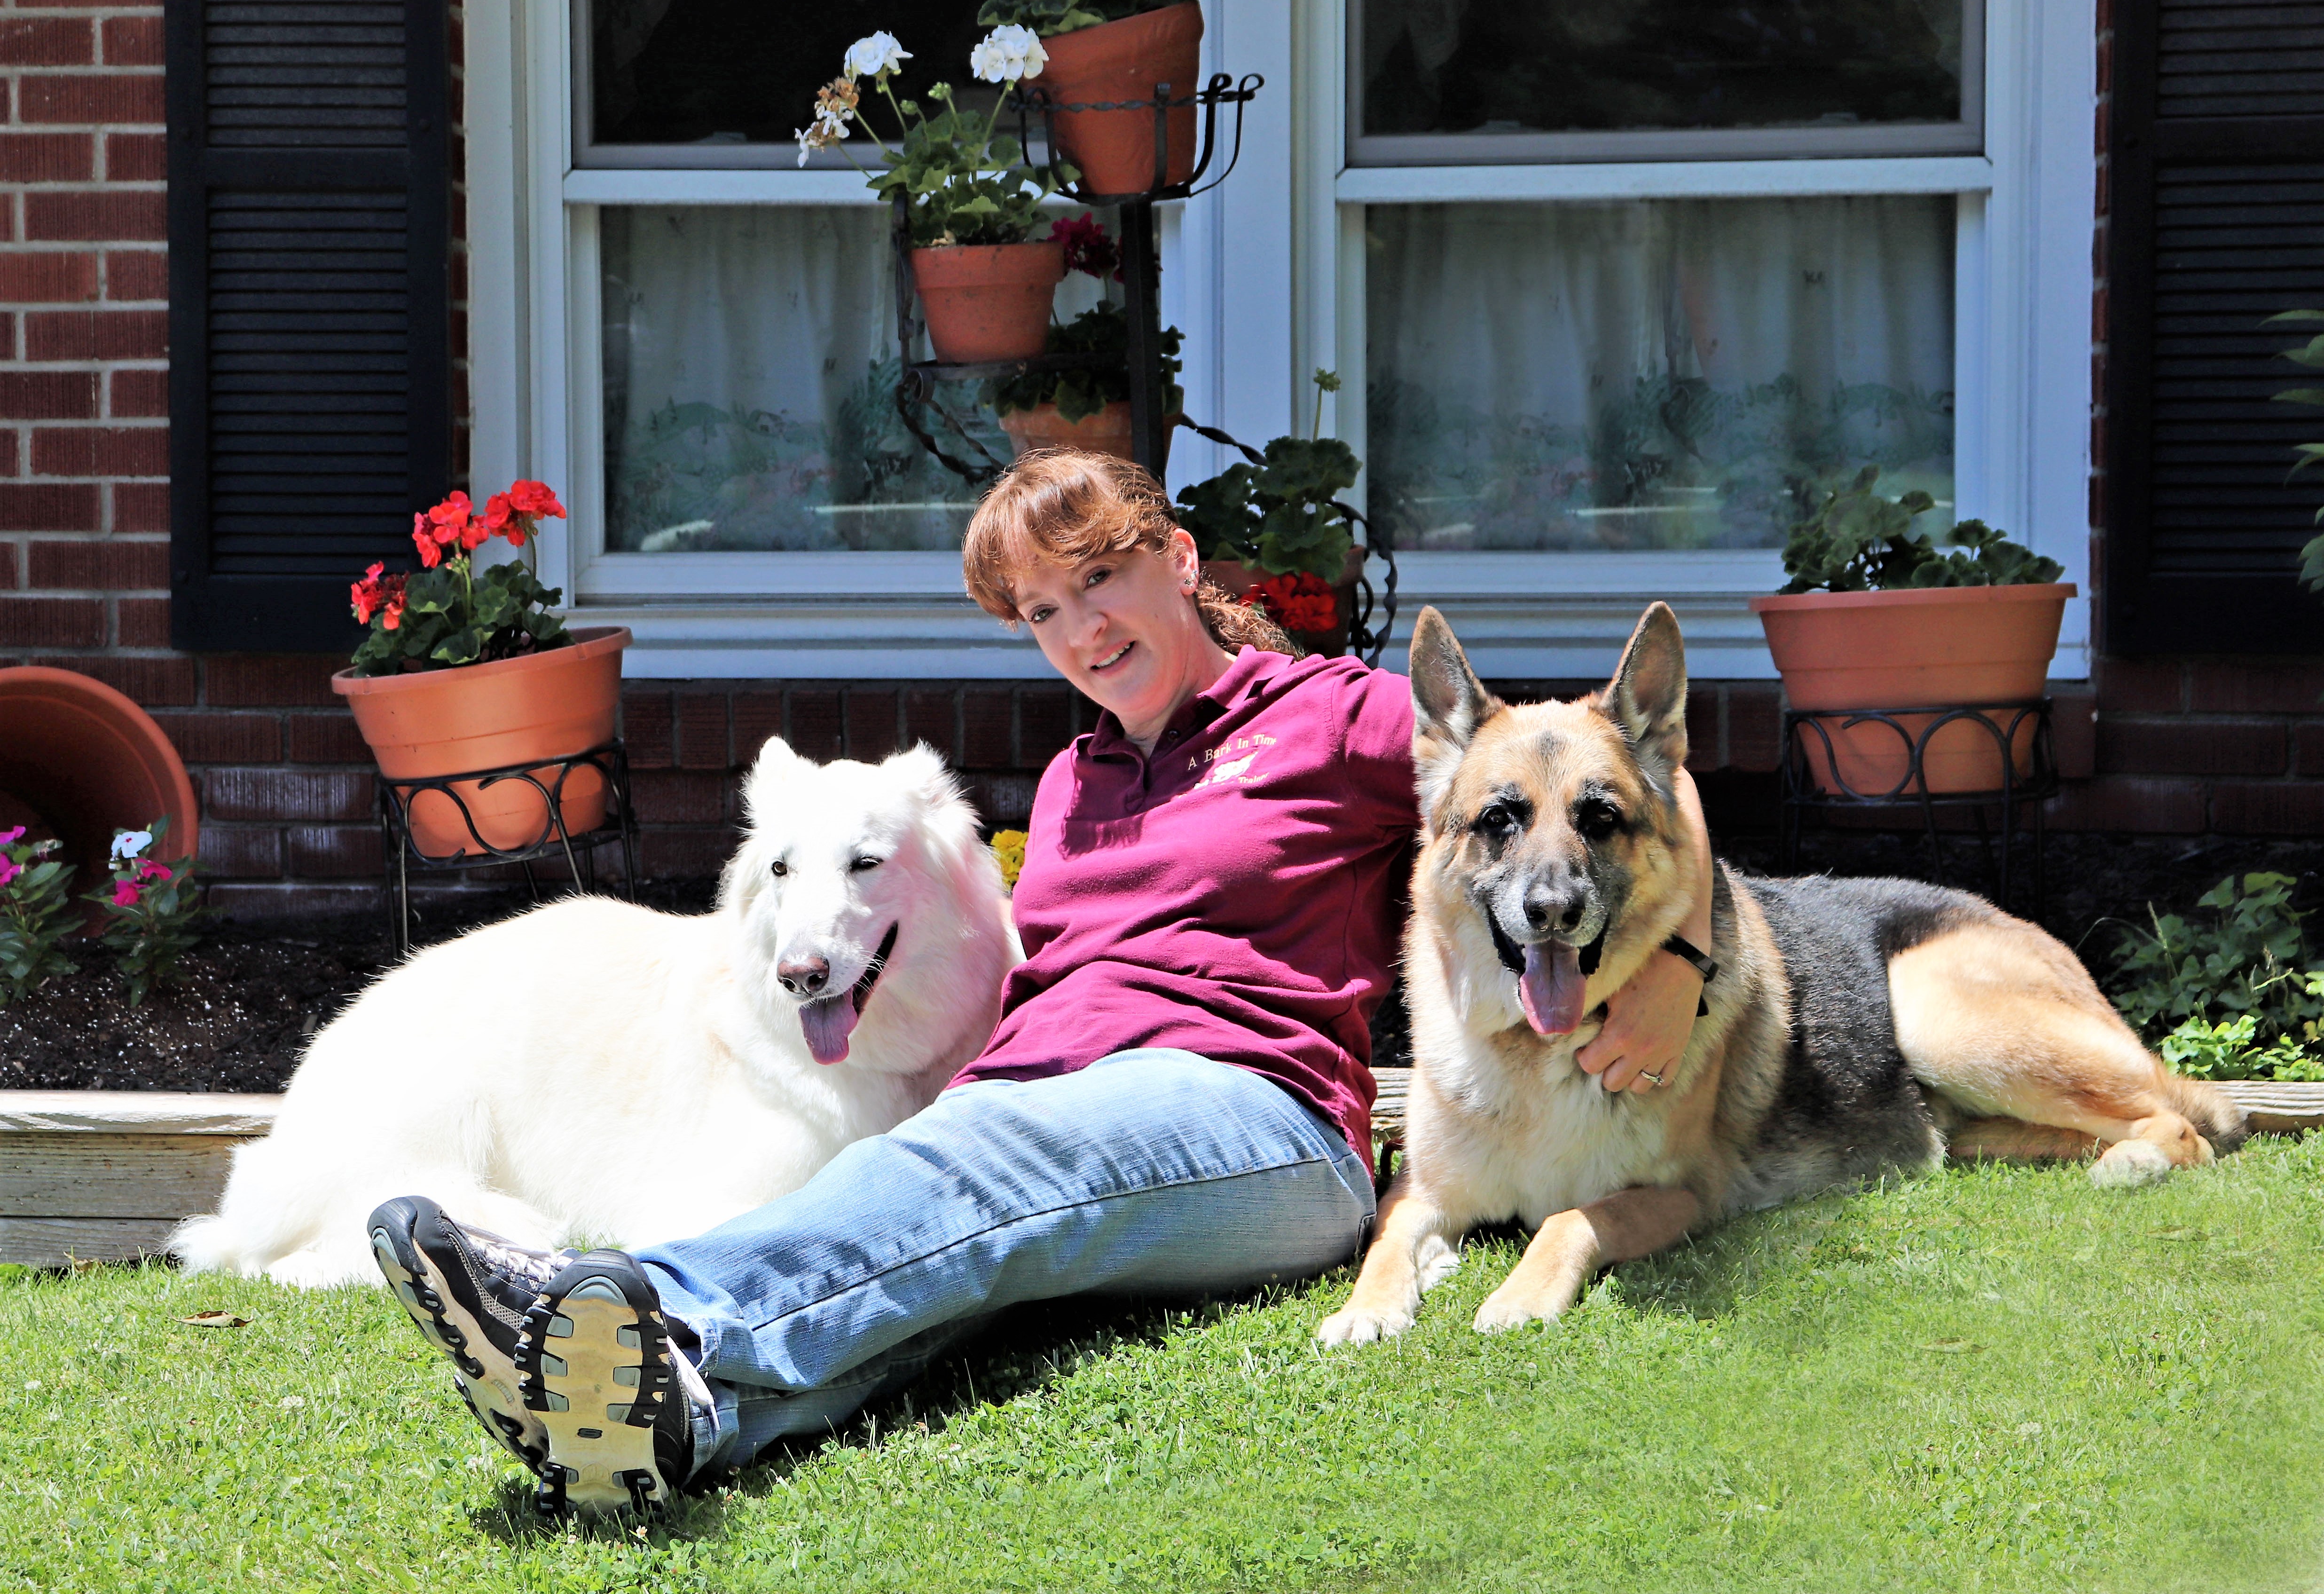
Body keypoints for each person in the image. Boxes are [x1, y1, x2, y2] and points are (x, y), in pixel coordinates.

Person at [369, 451, 1714, 1518]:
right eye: (1043, 612)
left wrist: (1686, 968)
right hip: (1046, 1108)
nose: (1081, 630)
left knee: (990, 1164)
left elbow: (1607, 775)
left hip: (1256, 1120)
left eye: (1100, 580)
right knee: (957, 1266)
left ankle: (629, 1301)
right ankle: (671, 1417)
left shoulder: (1331, 714)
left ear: (1177, 560)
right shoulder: (1074, 780)